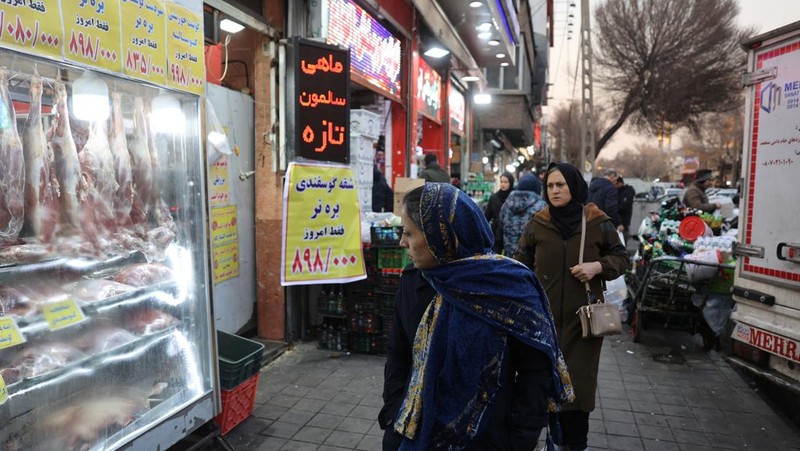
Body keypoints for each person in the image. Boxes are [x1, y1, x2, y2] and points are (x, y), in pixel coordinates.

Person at [380, 183, 574, 450]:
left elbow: (534, 372)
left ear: (441, 237)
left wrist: (519, 438)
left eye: (409, 234)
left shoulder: (507, 287)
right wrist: (394, 412)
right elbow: (398, 353)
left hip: (488, 438)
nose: (402, 243)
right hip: (414, 434)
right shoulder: (414, 282)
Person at [513, 163, 629, 451]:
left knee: (577, 394)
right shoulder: (537, 223)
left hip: (583, 326)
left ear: (575, 186)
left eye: (561, 185)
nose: (555, 191)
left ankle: (575, 444)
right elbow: (520, 263)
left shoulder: (597, 222)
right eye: (551, 186)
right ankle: (550, 442)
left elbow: (622, 258)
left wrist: (598, 266)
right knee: (543, 387)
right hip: (543, 324)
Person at [499, 174, 547, 256]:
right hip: (531, 256)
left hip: (510, 253)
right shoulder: (541, 206)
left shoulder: (506, 204)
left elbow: (501, 223)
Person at [484, 172, 514, 254]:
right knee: (495, 256)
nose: (503, 184)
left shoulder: (514, 198)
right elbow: (487, 216)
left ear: (510, 183)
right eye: (501, 182)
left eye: (505, 182)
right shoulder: (494, 197)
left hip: (511, 233)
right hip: (496, 233)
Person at [615, 176, 636, 240]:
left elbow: (624, 207)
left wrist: (615, 207)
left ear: (620, 183)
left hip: (623, 221)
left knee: (622, 239)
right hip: (622, 220)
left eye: (616, 184)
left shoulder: (626, 193)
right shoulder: (621, 192)